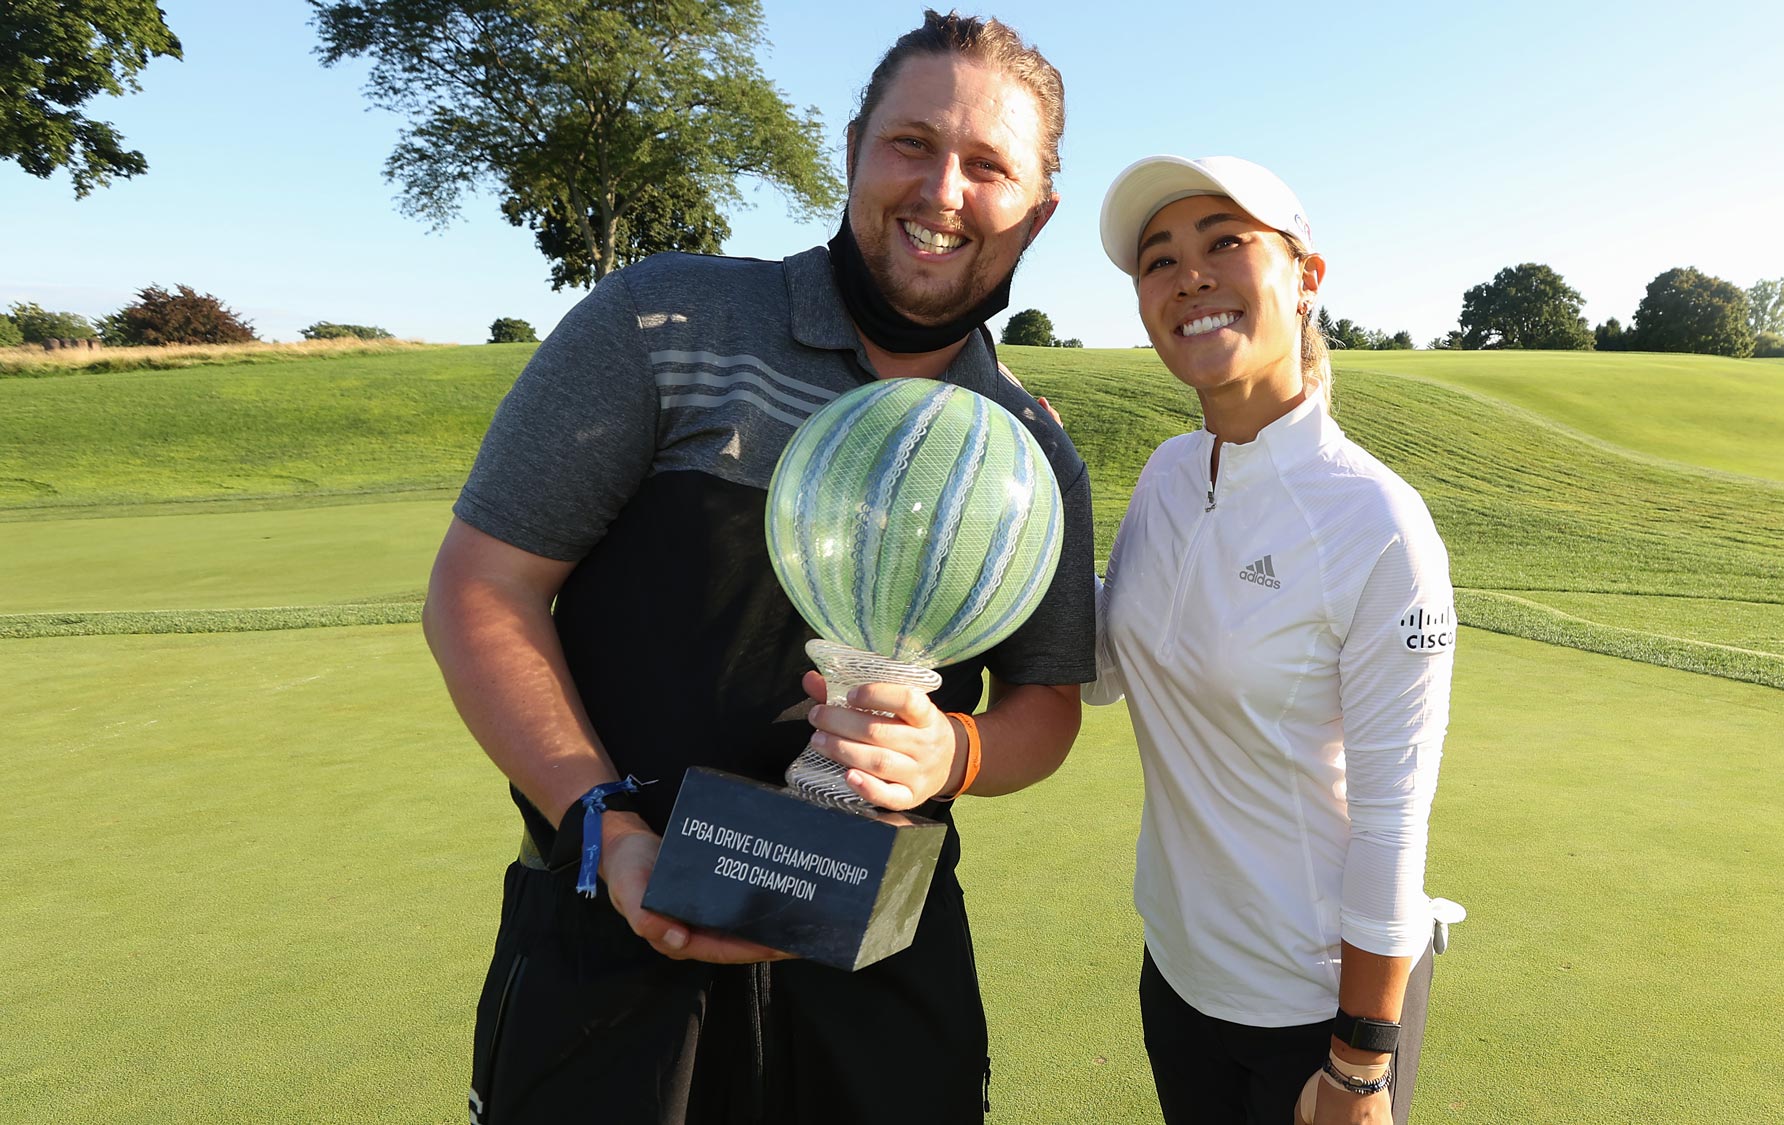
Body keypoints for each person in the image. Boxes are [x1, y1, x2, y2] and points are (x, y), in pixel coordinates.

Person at [421, 12, 1095, 1124]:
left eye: (988, 166)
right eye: (911, 144)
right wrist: (603, 826)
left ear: (1036, 210)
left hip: (879, 970)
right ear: (851, 151)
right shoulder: (661, 318)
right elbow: (481, 589)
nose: (942, 191)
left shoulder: (1029, 449)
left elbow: (1046, 710)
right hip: (611, 949)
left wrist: (951, 751)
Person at [1086, 155, 1456, 1125]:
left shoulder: (1376, 523)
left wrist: (1359, 1065)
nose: (1188, 276)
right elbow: (1102, 671)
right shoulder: (1167, 475)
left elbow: (1390, 822)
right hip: (1175, 971)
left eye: (1224, 243)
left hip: (1317, 1012)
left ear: (1304, 278)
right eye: (1157, 260)